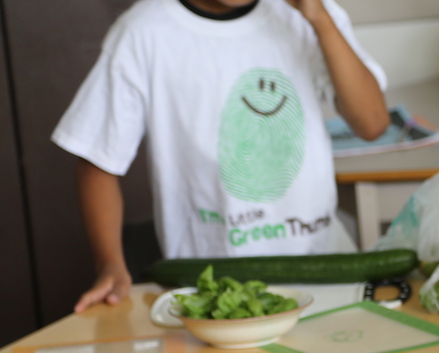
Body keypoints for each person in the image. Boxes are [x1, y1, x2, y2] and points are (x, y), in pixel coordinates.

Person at [54, 0, 390, 313]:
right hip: (214, 289)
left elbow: (373, 123)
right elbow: (97, 158)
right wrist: (110, 263)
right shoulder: (144, 31)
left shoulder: (309, 13)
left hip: (325, 268)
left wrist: (320, 20)